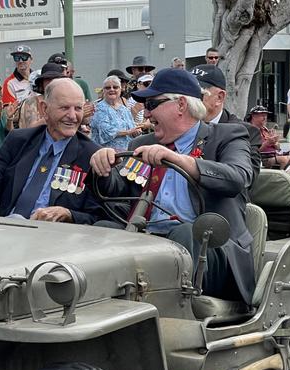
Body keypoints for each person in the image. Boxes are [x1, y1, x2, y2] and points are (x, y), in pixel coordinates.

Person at [89, 68, 255, 305]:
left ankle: (172, 316)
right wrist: (103, 166)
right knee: (103, 229)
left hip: (210, 247)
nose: (146, 112)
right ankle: (102, 306)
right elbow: (118, 191)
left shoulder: (228, 136)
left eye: (153, 103)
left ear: (181, 105)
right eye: (145, 105)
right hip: (147, 240)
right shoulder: (141, 143)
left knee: (184, 233)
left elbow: (237, 178)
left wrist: (180, 160)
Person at [0, 78, 103, 224]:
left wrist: (69, 214)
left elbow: (99, 216)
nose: (72, 116)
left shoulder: (92, 155)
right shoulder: (18, 141)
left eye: (78, 108)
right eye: (64, 108)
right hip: (5, 229)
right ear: (44, 109)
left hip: (52, 238)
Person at [191, 64, 261, 184]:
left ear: (219, 97)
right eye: (186, 94)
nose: (190, 100)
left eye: (197, 94)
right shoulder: (180, 128)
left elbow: (245, 181)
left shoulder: (246, 132)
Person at [90, 75, 142, 150]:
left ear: (120, 90)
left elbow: (132, 128)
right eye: (108, 88)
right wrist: (128, 132)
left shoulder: (124, 109)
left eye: (115, 87)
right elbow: (106, 133)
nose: (112, 89)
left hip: (126, 153)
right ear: (103, 90)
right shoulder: (99, 109)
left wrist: (136, 132)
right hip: (106, 155)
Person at [18, 63, 66, 129]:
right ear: (42, 83)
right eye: (48, 79)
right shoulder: (31, 102)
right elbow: (29, 129)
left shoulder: (66, 101)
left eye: (55, 79)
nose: (52, 82)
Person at [245, 104, 289, 169]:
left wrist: (275, 142)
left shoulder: (265, 130)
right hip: (262, 158)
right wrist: (267, 143)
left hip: (273, 155)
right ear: (254, 116)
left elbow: (278, 148)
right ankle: (280, 178)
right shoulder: (249, 130)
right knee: (284, 159)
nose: (265, 118)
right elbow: (254, 151)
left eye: (265, 115)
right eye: (262, 115)